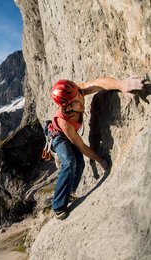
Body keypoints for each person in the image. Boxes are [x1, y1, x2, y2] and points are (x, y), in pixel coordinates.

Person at [45, 77, 144, 220]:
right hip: (58, 137)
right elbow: (81, 146)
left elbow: (98, 83)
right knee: (69, 162)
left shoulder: (76, 91)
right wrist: (99, 160)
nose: (80, 99)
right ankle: (58, 207)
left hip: (69, 135)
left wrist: (121, 85)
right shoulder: (64, 122)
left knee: (80, 163)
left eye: (79, 94)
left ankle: (70, 191)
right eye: (76, 101)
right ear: (67, 107)